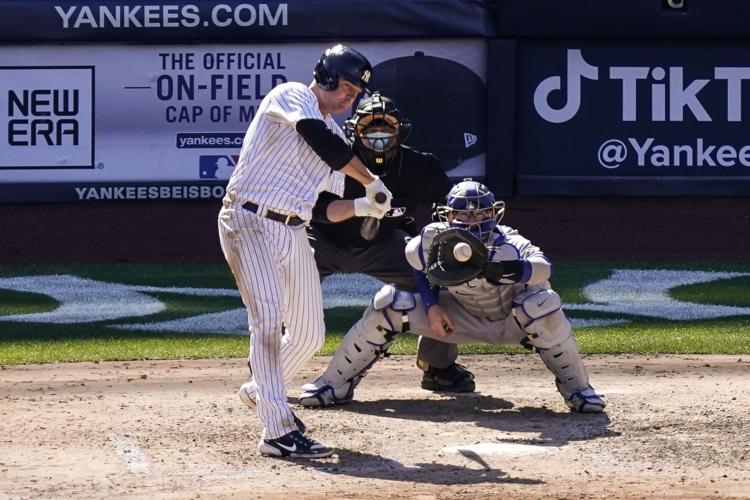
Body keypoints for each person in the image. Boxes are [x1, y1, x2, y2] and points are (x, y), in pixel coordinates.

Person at [218, 44, 393, 459]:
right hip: (248, 221)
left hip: (294, 232)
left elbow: (321, 209)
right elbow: (318, 141)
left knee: (311, 333)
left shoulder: (336, 135)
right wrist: (369, 180)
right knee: (266, 323)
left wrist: (365, 206)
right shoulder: (292, 95)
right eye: (347, 87)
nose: (350, 98)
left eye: (356, 93)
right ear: (328, 76)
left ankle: (261, 391)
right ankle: (277, 431)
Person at [298, 179, 606, 413]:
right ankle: (333, 385)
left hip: (513, 322)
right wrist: (432, 307)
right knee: (390, 302)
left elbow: (543, 268)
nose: (472, 222)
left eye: (480, 213)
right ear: (448, 216)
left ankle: (578, 389)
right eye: (463, 215)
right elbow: (414, 257)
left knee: (543, 304)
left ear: (493, 213)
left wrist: (506, 270)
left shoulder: (509, 242)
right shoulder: (435, 238)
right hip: (456, 319)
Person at [306, 91, 476, 394]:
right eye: (370, 129)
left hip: (384, 246)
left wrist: (454, 237)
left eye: (386, 129)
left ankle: (437, 366)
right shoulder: (331, 161)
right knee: (285, 284)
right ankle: (271, 367)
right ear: (354, 133)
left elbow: (451, 209)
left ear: (401, 131)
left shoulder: (420, 167)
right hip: (323, 243)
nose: (378, 137)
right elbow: (311, 210)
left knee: (445, 279)